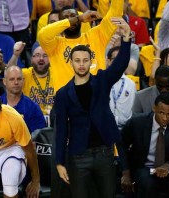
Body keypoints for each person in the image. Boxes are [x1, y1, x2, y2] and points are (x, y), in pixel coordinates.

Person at [55, 19, 131, 198]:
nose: (81, 64)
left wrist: (126, 38)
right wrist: (59, 162)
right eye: (77, 61)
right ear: (71, 63)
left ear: (91, 62)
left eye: (85, 60)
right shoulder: (63, 94)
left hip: (104, 153)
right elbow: (61, 130)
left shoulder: (102, 81)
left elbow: (120, 65)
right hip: (78, 156)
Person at [38, 0, 124, 91]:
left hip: (96, 98)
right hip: (67, 101)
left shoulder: (96, 36)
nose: (71, 20)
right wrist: (78, 18)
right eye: (66, 18)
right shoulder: (54, 45)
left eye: (73, 16)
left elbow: (115, 14)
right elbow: (43, 35)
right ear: (61, 23)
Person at [121, 93, 169, 198]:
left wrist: (167, 166)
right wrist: (126, 173)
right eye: (161, 113)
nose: (165, 118)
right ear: (154, 108)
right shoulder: (137, 123)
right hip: (145, 167)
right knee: (147, 182)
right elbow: (121, 145)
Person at [0, 65, 46, 132]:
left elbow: (38, 136)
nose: (16, 82)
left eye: (19, 79)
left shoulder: (33, 108)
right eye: (12, 79)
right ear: (4, 81)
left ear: (23, 81)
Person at [107, 46, 136, 130]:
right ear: (108, 61)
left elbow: (132, 110)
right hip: (104, 128)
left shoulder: (131, 84)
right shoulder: (100, 81)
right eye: (115, 59)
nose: (119, 62)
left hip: (125, 129)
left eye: (122, 59)